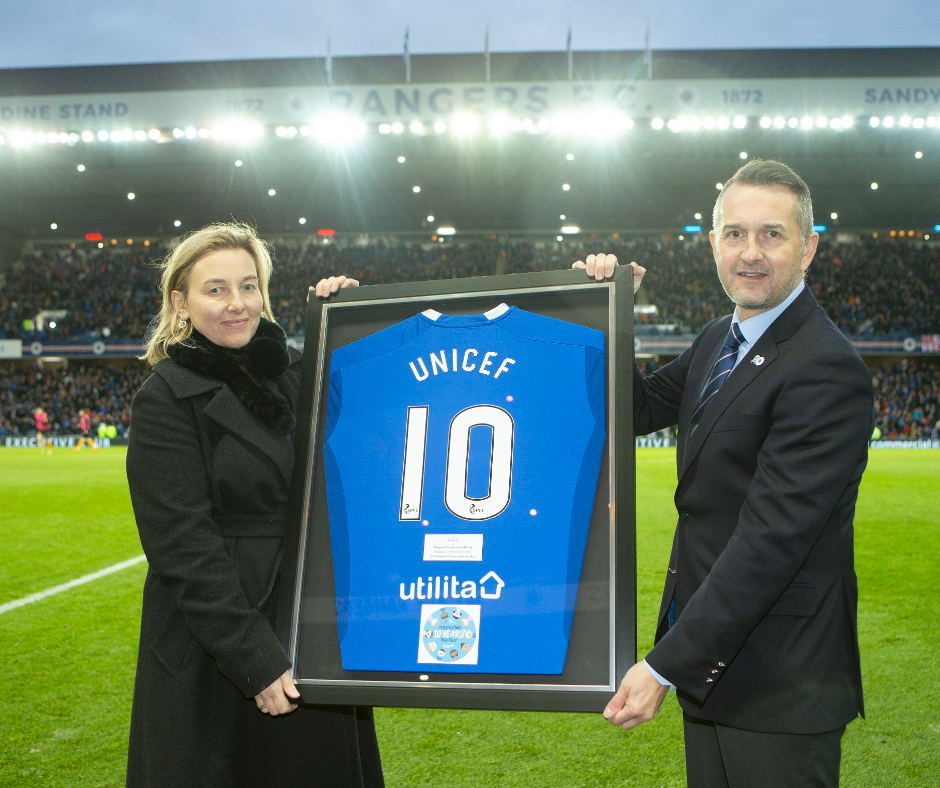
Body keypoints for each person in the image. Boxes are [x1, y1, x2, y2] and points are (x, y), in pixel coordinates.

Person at [576, 159, 873, 787]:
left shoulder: (826, 367)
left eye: (772, 234)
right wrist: (605, 312)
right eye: (735, 233)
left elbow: (771, 541)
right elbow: (636, 410)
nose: (750, 252)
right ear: (713, 244)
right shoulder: (719, 337)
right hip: (714, 672)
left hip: (780, 684)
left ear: (808, 248)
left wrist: (665, 665)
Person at [126, 223, 383, 788]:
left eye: (248, 286)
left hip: (307, 622)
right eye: (215, 290)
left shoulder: (297, 372)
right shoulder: (164, 398)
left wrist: (351, 320)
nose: (237, 303)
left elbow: (374, 432)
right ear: (181, 303)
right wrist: (254, 659)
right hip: (218, 646)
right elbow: (183, 549)